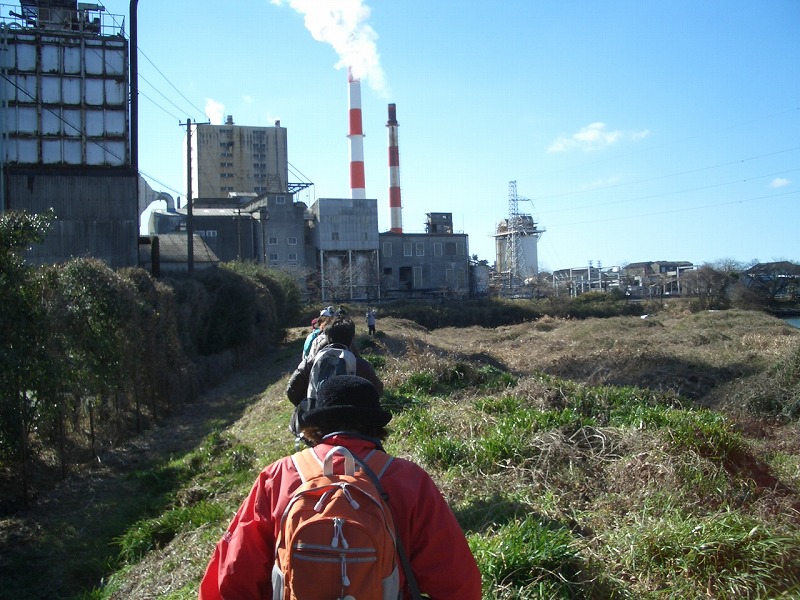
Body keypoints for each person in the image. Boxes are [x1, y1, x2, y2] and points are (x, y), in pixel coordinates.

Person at [198, 375, 482, 600]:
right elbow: (458, 584)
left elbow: (232, 576)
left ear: (315, 427)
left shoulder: (279, 476)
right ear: (376, 427)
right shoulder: (409, 479)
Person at [287, 316, 383, 404]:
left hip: (316, 417)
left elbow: (292, 390)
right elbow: (377, 392)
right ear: (352, 339)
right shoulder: (361, 365)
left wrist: (307, 407)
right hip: (351, 418)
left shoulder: (309, 363)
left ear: (328, 337)